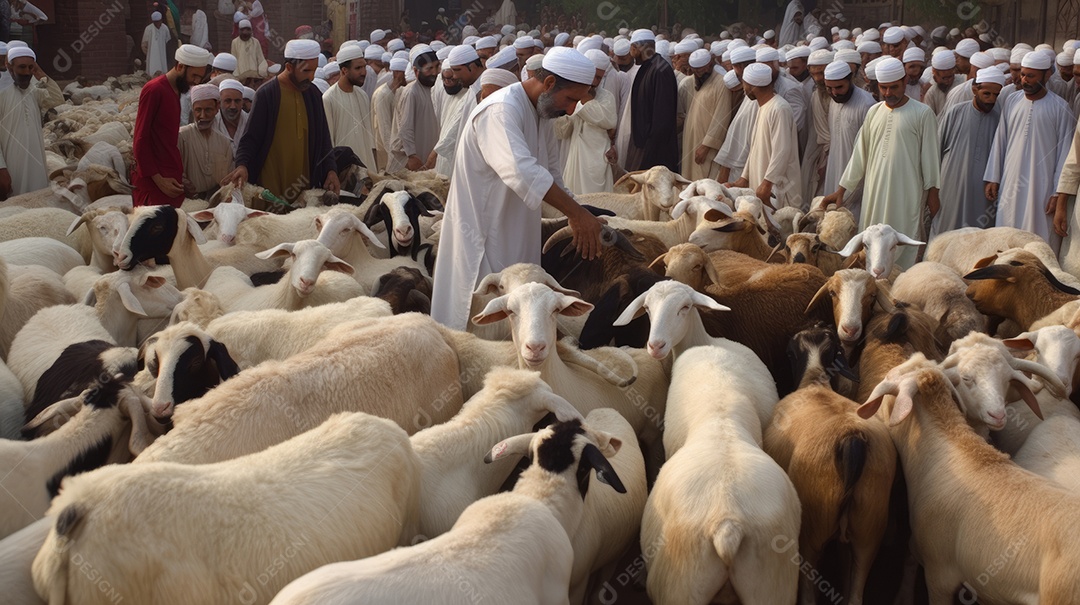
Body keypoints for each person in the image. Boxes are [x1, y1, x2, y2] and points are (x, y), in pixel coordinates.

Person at [431, 47, 604, 330]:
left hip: (520, 234)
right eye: (571, 99)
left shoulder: (542, 113)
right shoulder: (501, 110)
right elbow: (522, 172)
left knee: (521, 325)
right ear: (549, 83)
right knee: (479, 326)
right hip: (483, 237)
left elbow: (552, 175)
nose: (572, 110)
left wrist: (584, 215)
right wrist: (577, 215)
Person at [820, 57, 940, 269]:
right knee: (872, 239)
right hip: (874, 192)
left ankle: (901, 281)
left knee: (902, 239)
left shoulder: (923, 114)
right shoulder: (874, 112)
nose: (888, 93)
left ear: (904, 82)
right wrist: (842, 189)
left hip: (906, 193)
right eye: (883, 87)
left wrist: (933, 194)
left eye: (894, 87)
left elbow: (930, 158)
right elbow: (859, 155)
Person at [223, 39, 340, 206]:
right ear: (289, 67)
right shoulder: (267, 94)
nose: (311, 77)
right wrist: (242, 165)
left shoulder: (313, 94)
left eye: (314, 70)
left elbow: (323, 139)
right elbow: (251, 138)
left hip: (304, 194)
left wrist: (331, 170)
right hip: (270, 194)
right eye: (306, 71)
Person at [985, 51, 1074, 250]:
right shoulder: (1011, 101)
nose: (1025, 80)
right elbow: (1000, 140)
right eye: (1023, 74)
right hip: (1010, 183)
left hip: (1042, 187)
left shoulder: (1061, 108)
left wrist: (1057, 193)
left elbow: (1064, 154)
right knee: (1006, 236)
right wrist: (993, 177)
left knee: (1038, 241)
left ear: (1047, 75)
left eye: (1031, 76)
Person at [132, 44, 212, 207]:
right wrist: (159, 179)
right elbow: (140, 139)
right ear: (180, 66)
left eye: (200, 78)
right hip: (154, 182)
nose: (196, 82)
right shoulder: (154, 89)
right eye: (194, 76)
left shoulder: (176, 91)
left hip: (170, 178)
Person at [930, 68, 1003, 236]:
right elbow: (936, 151)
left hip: (982, 196)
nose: (991, 99)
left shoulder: (999, 119)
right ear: (974, 90)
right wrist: (932, 190)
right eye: (987, 94)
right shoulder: (955, 112)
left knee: (977, 238)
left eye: (996, 95)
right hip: (951, 189)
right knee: (945, 235)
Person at [727, 63, 801, 209]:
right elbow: (754, 148)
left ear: (752, 86)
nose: (743, 88)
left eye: (744, 84)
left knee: (781, 220)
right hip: (763, 183)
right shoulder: (764, 106)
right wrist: (744, 178)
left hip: (776, 187)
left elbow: (782, 151)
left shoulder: (779, 108)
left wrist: (767, 183)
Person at [0, 45, 61, 199]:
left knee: (38, 200)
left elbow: (57, 99)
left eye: (30, 67)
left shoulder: (34, 92)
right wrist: (1, 168)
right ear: (9, 67)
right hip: (11, 165)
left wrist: (41, 75)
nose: (27, 72)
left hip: (37, 163)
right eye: (22, 67)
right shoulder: (2, 94)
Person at [556, 49, 617, 194]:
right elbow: (560, 131)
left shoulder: (606, 97)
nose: (595, 81)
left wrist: (584, 98)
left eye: (599, 78)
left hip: (598, 165)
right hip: (574, 160)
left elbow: (607, 122)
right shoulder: (571, 96)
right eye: (593, 76)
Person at [822, 60, 875, 223]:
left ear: (850, 79)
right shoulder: (833, 101)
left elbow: (869, 152)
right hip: (834, 171)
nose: (834, 93)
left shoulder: (867, 105)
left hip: (856, 180)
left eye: (839, 87)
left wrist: (853, 187)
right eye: (829, 88)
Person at [625, 29, 679, 172]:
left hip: (655, 150)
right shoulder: (649, 66)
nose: (631, 53)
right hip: (645, 144)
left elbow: (662, 117)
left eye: (631, 49)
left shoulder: (660, 70)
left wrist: (649, 150)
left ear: (636, 48)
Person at [322, 44, 376, 173]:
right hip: (343, 170)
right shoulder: (329, 98)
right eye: (358, 68)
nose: (363, 72)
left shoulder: (362, 95)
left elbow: (369, 138)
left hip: (367, 167)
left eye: (364, 67)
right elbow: (329, 142)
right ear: (344, 70)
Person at [680, 49, 733, 181]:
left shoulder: (721, 83)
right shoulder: (695, 81)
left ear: (709, 65)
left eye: (701, 70)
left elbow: (721, 118)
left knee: (704, 180)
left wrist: (706, 146)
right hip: (691, 141)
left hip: (706, 146)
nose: (698, 73)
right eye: (695, 70)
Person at [430, 45, 481, 178]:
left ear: (472, 67)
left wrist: (435, 154)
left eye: (457, 71)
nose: (455, 76)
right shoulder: (471, 90)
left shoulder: (481, 89)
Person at [388, 45, 440, 172]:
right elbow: (405, 128)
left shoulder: (436, 89)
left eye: (436, 67)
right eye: (429, 69)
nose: (434, 72)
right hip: (412, 159)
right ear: (416, 71)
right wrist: (412, 155)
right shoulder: (411, 92)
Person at [179, 84, 233, 199]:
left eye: (208, 110)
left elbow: (226, 181)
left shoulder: (224, 143)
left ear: (217, 109)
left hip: (215, 201)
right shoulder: (181, 136)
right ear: (192, 109)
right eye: (198, 110)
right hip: (186, 201)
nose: (202, 116)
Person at [713, 45, 757, 183]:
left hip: (746, 164)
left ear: (739, 67)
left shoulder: (756, 97)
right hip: (740, 164)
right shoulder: (750, 95)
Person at [922, 50, 962, 116]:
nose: (948, 81)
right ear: (934, 74)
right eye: (944, 78)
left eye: (950, 77)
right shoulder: (931, 93)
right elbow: (928, 117)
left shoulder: (961, 85)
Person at [214, 79, 249, 154]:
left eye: (237, 101)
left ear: (242, 103)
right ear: (219, 103)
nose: (233, 106)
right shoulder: (212, 124)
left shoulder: (250, 122)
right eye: (228, 101)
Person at [231, 18, 267, 84]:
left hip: (254, 76)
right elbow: (234, 59)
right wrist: (237, 77)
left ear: (251, 31)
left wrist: (261, 72)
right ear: (239, 31)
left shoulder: (255, 42)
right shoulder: (235, 42)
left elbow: (261, 59)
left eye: (248, 29)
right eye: (243, 30)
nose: (245, 32)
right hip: (240, 76)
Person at [142, 12, 172, 77]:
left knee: (162, 70)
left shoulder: (165, 28)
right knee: (152, 71)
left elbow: (168, 40)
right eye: (156, 22)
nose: (158, 23)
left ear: (161, 20)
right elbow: (144, 44)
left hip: (162, 53)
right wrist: (147, 53)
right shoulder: (148, 29)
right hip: (151, 55)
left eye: (159, 21)